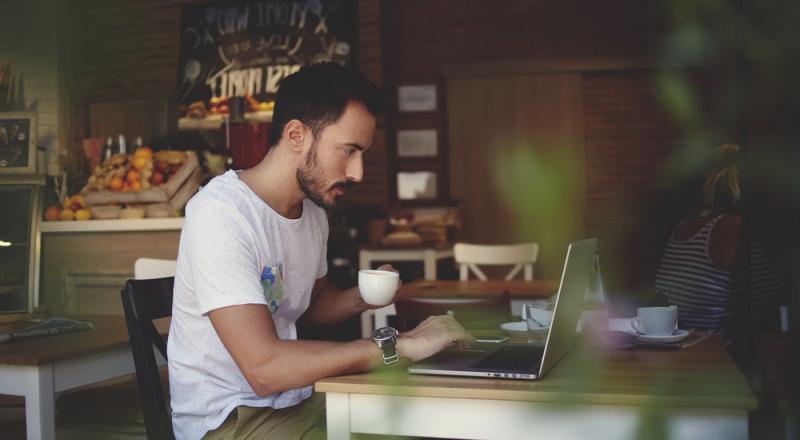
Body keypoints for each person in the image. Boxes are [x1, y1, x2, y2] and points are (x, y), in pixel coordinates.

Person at [167, 62, 471, 440]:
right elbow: (264, 369)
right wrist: (398, 345)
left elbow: (310, 305)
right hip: (233, 420)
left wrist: (362, 298)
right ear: (296, 134)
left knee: (428, 419)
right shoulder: (221, 215)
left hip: (299, 399)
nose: (358, 172)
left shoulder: (312, 213)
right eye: (349, 151)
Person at [653, 143, 779, 343]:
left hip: (676, 347)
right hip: (713, 352)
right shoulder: (736, 226)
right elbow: (761, 308)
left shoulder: (684, 225)